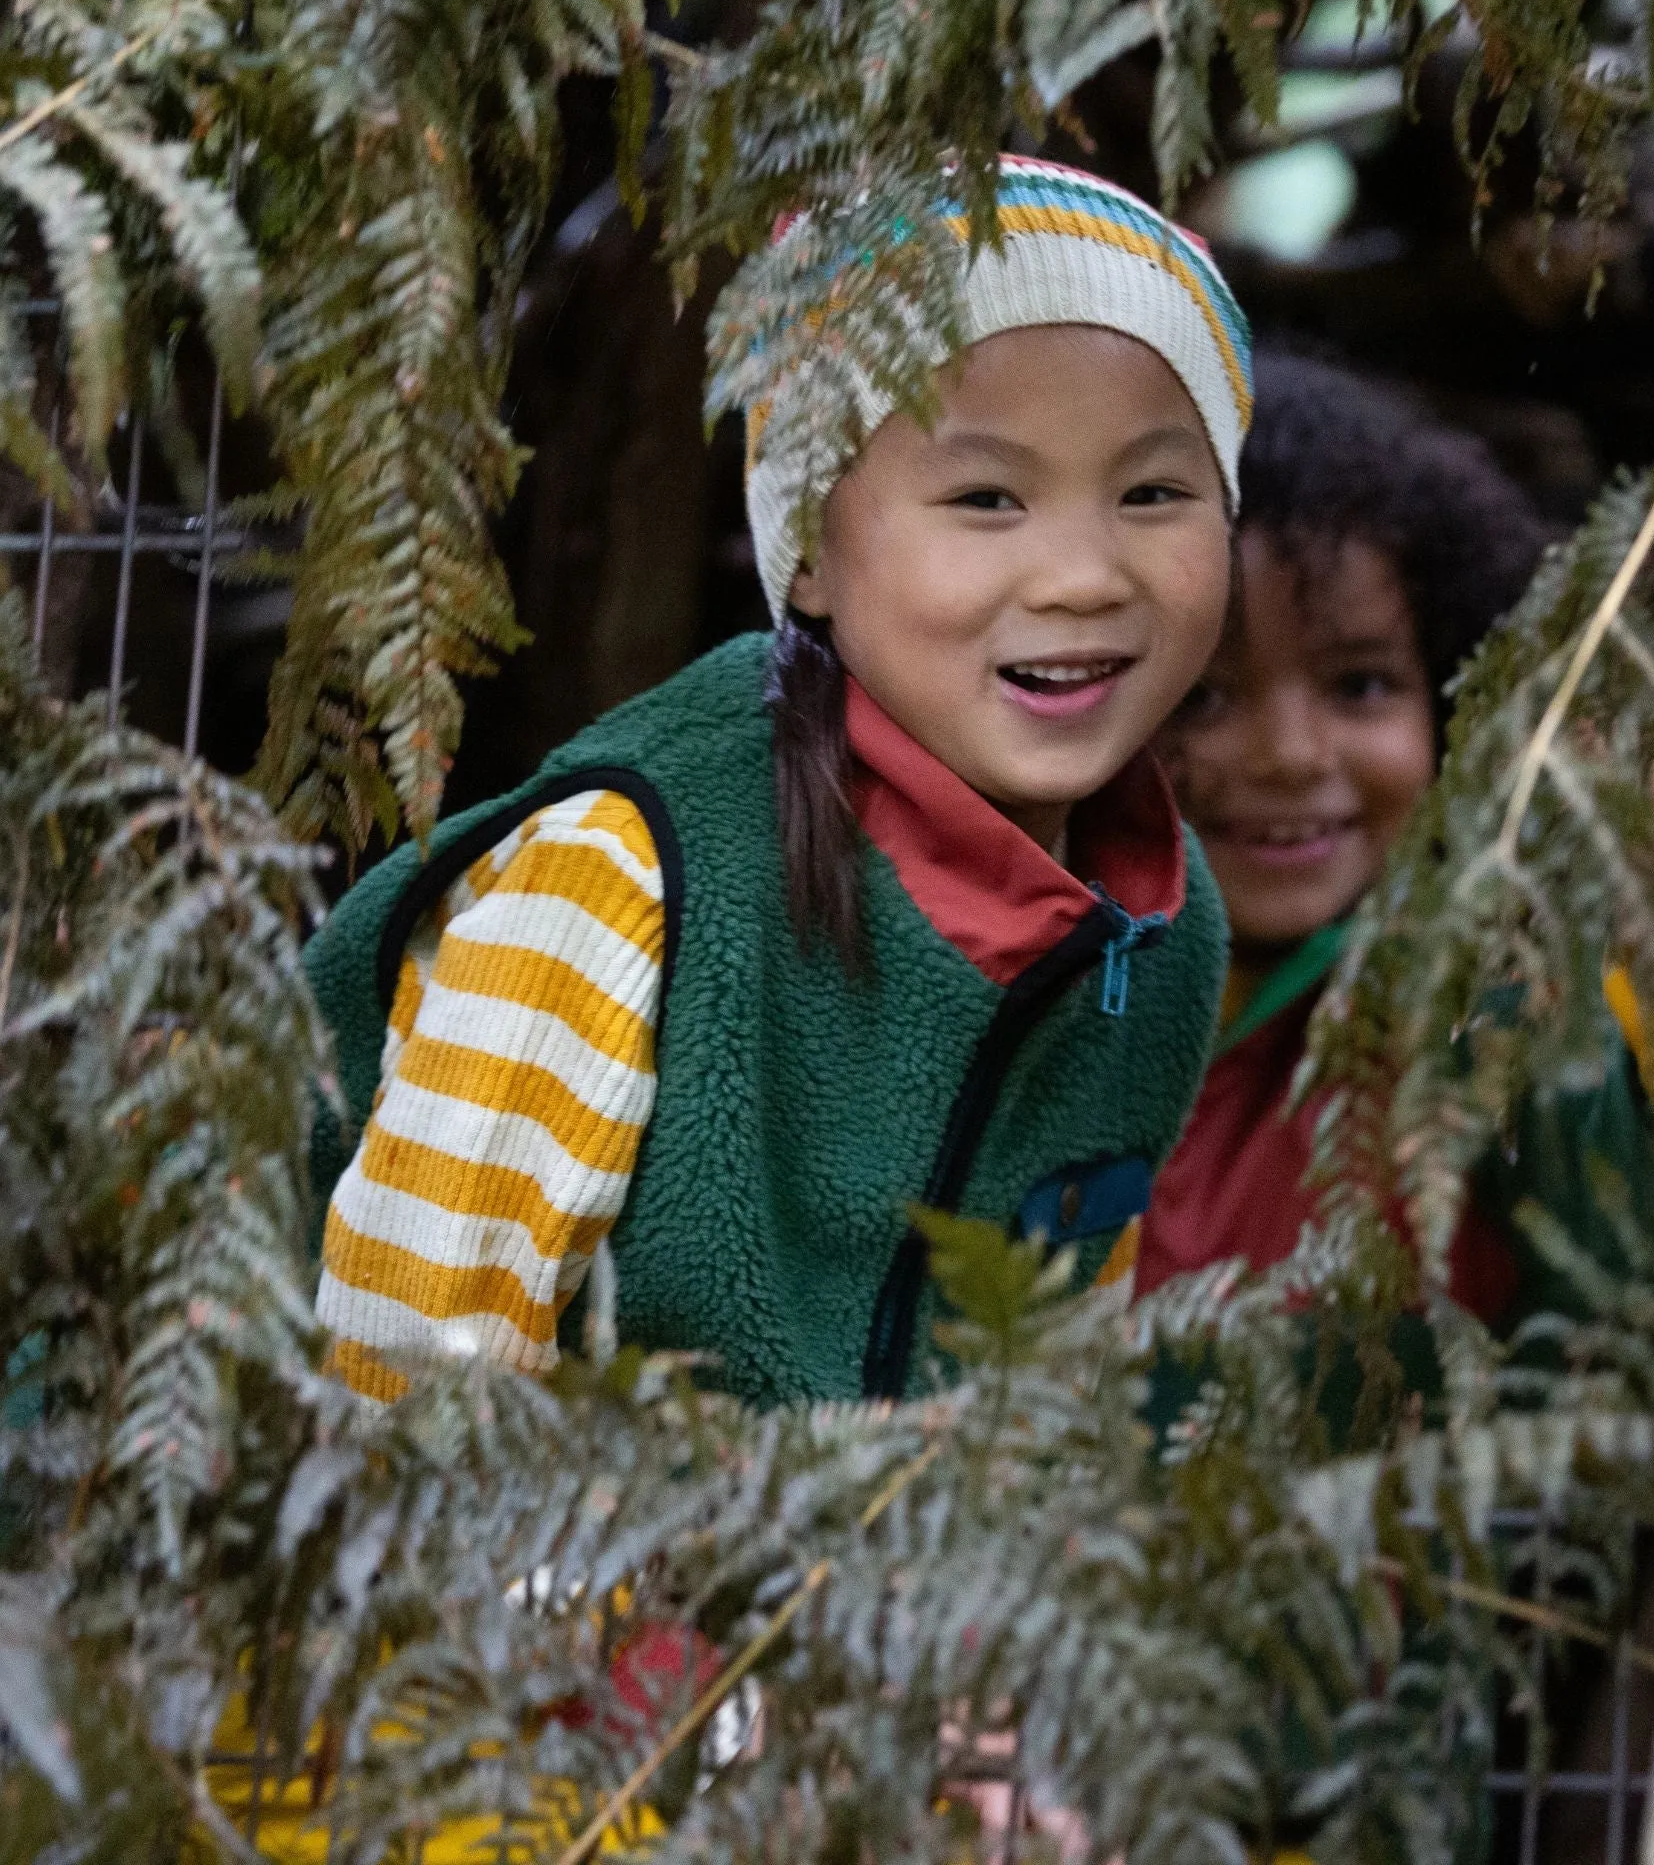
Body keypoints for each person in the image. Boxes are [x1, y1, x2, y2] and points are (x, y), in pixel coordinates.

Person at [303, 157, 1251, 1407]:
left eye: (1153, 492)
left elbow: (1056, 1397)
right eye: (984, 495)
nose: (1082, 574)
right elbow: (400, 1404)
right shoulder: (616, 878)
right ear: (806, 551)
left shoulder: (1158, 933)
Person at [1107, 350, 1654, 1315]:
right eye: (1202, 697)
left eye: (1360, 685)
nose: (1290, 755)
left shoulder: (1512, 980)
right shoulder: (1044, 992)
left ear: (1458, 696)